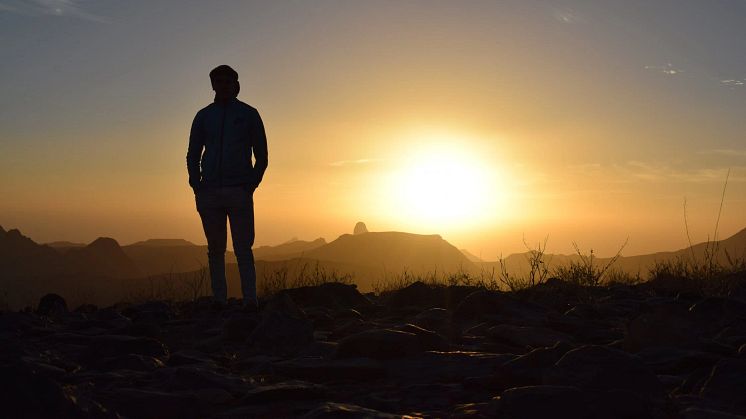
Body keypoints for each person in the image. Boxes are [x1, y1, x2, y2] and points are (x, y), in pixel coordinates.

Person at [186, 65, 268, 309]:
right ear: (212, 84)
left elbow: (262, 155)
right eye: (218, 81)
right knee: (215, 250)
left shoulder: (249, 114)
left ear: (236, 84)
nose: (223, 85)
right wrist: (196, 184)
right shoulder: (203, 116)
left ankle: (250, 301)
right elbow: (193, 152)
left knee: (243, 249)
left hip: (238, 190)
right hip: (209, 191)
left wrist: (250, 185)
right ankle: (219, 301)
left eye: (227, 81)